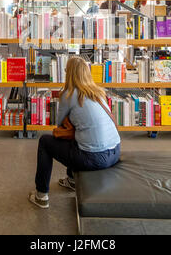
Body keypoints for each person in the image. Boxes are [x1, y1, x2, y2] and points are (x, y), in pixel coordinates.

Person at [28, 56, 121, 209]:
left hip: (94, 158)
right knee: (80, 135)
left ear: (68, 73)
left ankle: (41, 195)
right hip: (115, 152)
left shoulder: (68, 94)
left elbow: (59, 125)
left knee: (45, 142)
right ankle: (71, 180)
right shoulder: (98, 92)